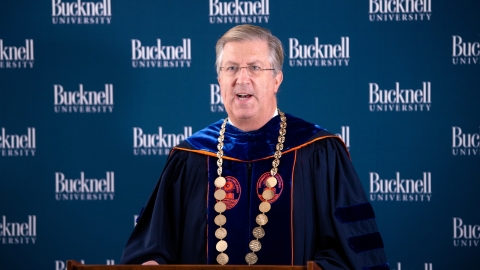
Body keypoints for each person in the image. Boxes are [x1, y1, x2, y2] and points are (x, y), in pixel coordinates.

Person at [121, 24, 389, 270]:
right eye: (231, 68)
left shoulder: (319, 152)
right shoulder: (189, 157)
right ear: (219, 81)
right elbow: (152, 246)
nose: (242, 78)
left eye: (254, 67)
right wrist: (150, 263)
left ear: (276, 80)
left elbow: (354, 253)